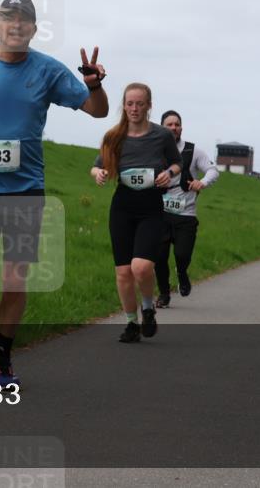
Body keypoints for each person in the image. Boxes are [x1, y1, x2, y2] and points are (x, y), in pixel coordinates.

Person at [0, 0, 109, 388]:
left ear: (33, 29)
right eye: (9, 19)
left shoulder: (47, 70)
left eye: (24, 20)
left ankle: (4, 356)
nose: (16, 26)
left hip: (26, 189)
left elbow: (98, 111)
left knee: (16, 278)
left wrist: (95, 86)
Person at [91, 83, 182, 342]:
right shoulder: (114, 136)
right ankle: (131, 324)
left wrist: (169, 173)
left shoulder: (162, 136)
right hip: (122, 206)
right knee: (123, 272)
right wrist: (99, 173)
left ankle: (148, 307)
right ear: (124, 105)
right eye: (129, 103)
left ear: (149, 106)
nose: (134, 109)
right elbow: (96, 167)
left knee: (141, 268)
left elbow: (177, 162)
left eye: (139, 104)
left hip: (151, 206)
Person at [153, 110, 218, 307]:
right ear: (162, 128)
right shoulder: (154, 150)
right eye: (169, 124)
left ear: (181, 127)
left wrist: (203, 183)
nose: (173, 128)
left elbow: (213, 170)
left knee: (182, 255)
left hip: (185, 215)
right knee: (159, 258)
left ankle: (182, 273)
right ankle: (164, 294)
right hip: (160, 214)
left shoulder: (193, 151)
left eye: (177, 124)